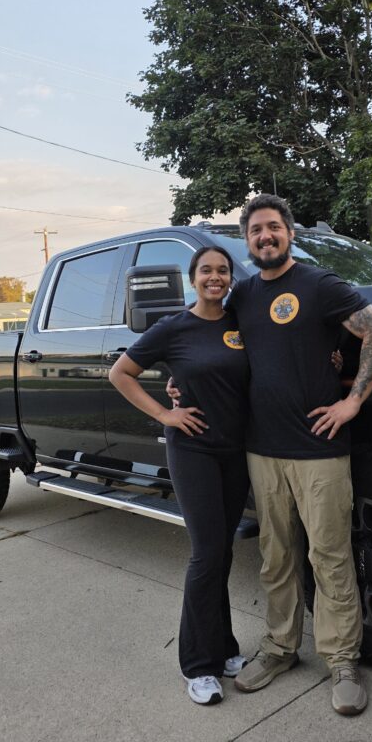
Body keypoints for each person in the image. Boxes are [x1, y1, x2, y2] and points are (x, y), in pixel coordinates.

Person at [228, 194, 372, 716]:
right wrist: (179, 387)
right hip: (262, 449)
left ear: (290, 234)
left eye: (273, 227)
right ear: (247, 240)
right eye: (256, 230)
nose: (265, 236)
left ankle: (341, 661)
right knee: (276, 556)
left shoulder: (319, 285)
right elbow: (213, 348)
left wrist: (352, 401)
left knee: (329, 556)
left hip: (318, 449)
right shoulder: (242, 295)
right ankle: (280, 648)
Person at [108, 245, 250, 706]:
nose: (215, 277)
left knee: (222, 552)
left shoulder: (240, 324)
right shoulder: (174, 327)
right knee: (206, 554)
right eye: (206, 270)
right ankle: (198, 666)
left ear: (230, 279)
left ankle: (224, 648)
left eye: (223, 270)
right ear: (193, 278)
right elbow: (121, 373)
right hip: (193, 450)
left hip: (236, 452)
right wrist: (165, 414)